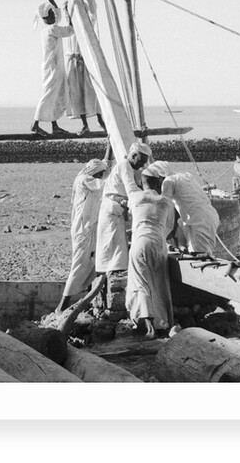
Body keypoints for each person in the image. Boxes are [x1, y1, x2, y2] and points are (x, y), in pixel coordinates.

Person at [125, 162, 175, 339]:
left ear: (142, 182)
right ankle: (163, 323)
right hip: (159, 244)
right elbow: (171, 229)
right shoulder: (166, 202)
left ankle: (148, 326)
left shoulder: (135, 198)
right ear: (158, 183)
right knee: (160, 284)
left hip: (140, 243)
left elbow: (128, 212)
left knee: (141, 283)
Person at [56, 159, 109, 312]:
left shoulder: (88, 176)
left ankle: (87, 302)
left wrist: (109, 146)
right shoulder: (84, 179)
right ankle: (62, 306)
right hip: (83, 229)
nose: (100, 177)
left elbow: (104, 163)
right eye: (99, 174)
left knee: (92, 263)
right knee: (79, 265)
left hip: (89, 227)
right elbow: (104, 184)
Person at [95, 141, 152, 275]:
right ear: (133, 155)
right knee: (114, 248)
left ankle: (111, 273)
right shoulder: (124, 165)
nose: (143, 165)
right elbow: (131, 189)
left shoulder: (128, 167)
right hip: (112, 209)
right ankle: (112, 274)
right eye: (141, 160)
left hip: (115, 210)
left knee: (115, 247)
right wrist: (149, 198)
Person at [63, 0, 107, 136]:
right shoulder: (68, 28)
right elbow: (64, 13)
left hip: (85, 61)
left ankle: (101, 120)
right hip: (73, 63)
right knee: (76, 94)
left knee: (92, 92)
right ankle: (85, 124)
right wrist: (65, 4)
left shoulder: (86, 26)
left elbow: (93, 14)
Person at [156, 162, 220, 255]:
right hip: (208, 216)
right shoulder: (185, 176)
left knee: (200, 256)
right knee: (196, 251)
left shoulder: (168, 181)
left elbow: (165, 206)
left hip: (199, 221)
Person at [31, 2, 74, 137]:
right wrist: (69, 13)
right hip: (53, 67)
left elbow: (58, 16)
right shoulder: (52, 29)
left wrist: (52, 1)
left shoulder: (46, 30)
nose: (54, 16)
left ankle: (54, 125)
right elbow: (70, 30)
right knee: (49, 94)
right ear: (45, 18)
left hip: (51, 66)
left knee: (54, 95)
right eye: (51, 15)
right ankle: (35, 123)